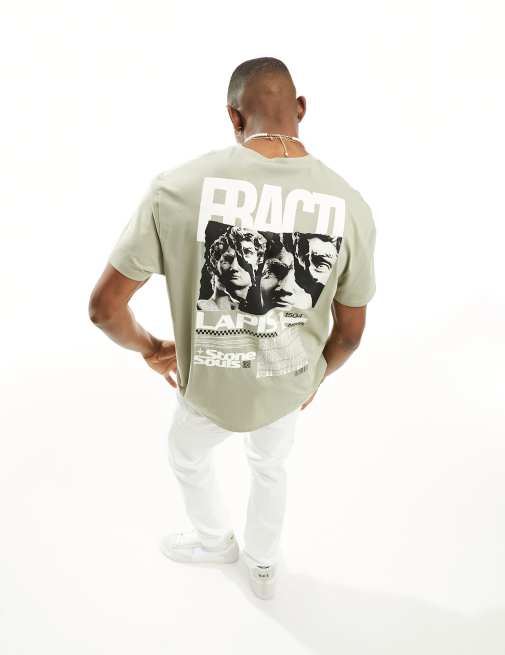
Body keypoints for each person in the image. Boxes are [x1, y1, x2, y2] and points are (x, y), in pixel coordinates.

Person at [88, 56, 377, 600]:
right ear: (301, 109)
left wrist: (151, 348)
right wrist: (316, 376)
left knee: (187, 455)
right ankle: (263, 564)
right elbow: (350, 334)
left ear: (233, 116)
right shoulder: (351, 207)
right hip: (286, 385)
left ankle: (213, 541)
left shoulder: (176, 188)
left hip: (207, 384)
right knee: (270, 465)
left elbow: (104, 309)